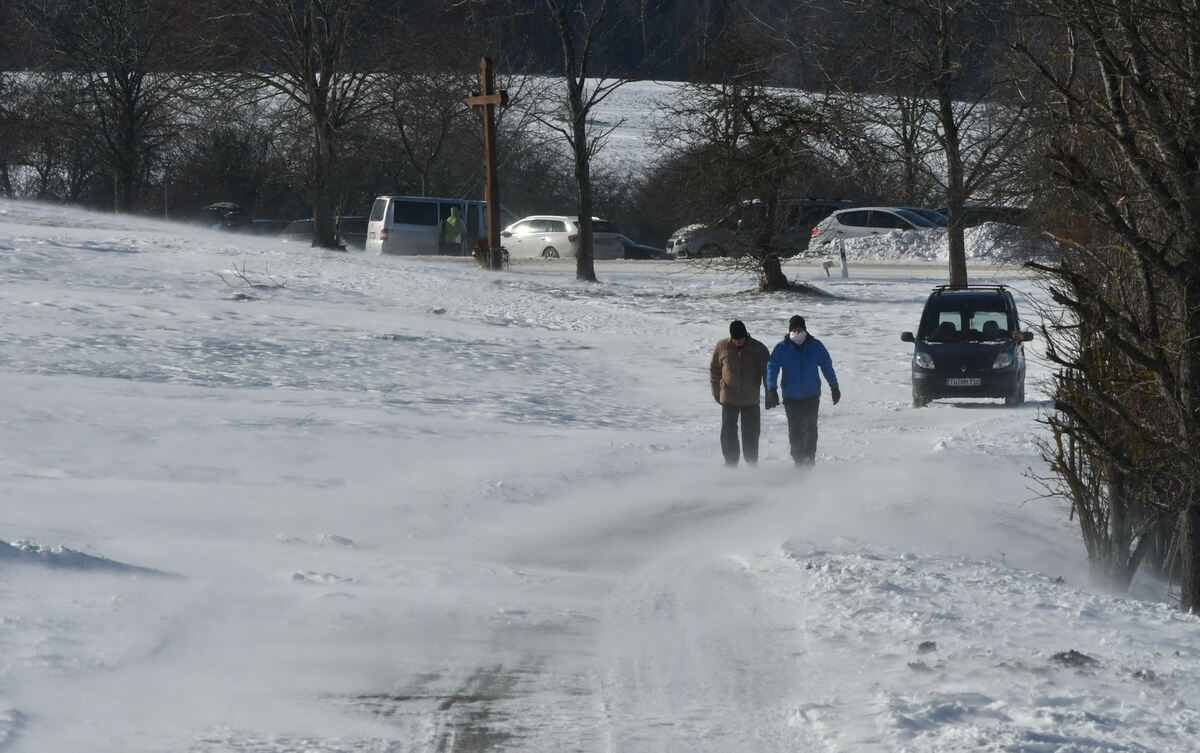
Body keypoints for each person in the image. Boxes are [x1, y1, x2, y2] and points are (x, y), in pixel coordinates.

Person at [766, 315, 841, 466]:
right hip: (791, 396)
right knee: (795, 429)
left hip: (811, 394)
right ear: (790, 331)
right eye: (794, 330)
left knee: (810, 427)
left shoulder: (815, 346)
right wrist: (771, 388)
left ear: (804, 329)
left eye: (799, 329)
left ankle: (809, 458)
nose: (797, 332)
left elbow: (827, 365)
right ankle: (798, 459)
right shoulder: (782, 347)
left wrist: (834, 386)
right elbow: (772, 367)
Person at [710, 319, 771, 467]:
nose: (737, 342)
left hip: (750, 399)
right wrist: (717, 393)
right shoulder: (722, 346)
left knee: (751, 433)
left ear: (746, 335)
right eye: (735, 339)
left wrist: (770, 393)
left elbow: (768, 373)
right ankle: (730, 464)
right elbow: (714, 371)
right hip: (729, 398)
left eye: (740, 339)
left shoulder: (758, 348)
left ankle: (752, 463)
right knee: (728, 432)